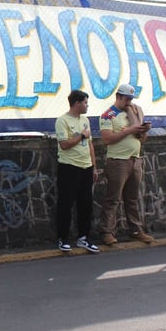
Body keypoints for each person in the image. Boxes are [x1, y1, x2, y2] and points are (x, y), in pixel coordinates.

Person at [99, 84, 154, 245]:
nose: (129, 102)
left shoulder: (135, 112)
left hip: (135, 159)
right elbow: (107, 139)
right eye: (126, 98)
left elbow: (142, 139)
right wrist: (129, 130)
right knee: (113, 198)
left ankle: (136, 230)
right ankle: (107, 231)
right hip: (118, 161)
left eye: (131, 99)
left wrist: (143, 130)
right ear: (118, 97)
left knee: (132, 198)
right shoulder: (108, 115)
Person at [54, 89, 100, 253]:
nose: (87, 106)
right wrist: (81, 136)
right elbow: (64, 144)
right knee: (66, 204)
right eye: (85, 102)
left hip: (85, 167)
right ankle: (63, 238)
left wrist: (94, 167)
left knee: (85, 204)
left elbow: (90, 145)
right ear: (77, 103)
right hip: (69, 167)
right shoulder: (62, 120)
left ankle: (84, 237)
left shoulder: (85, 120)